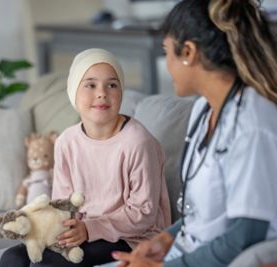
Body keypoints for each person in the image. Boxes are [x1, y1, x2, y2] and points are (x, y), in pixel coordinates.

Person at [112, 0, 277, 266]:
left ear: (188, 52)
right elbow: (203, 218)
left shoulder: (253, 123)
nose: (167, 63)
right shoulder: (203, 109)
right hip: (180, 255)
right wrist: (165, 239)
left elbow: (244, 237)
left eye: (167, 52)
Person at [0, 48, 171, 267]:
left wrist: (90, 229)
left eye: (112, 85)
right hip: (81, 231)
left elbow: (144, 213)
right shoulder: (66, 141)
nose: (102, 93)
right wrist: (52, 228)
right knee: (12, 258)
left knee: (47, 265)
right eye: (90, 85)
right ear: (74, 93)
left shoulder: (138, 142)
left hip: (131, 237)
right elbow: (62, 204)